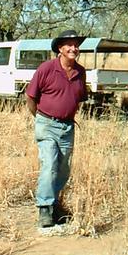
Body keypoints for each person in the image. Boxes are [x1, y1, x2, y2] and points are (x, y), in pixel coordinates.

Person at [25, 29, 88, 228]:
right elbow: (30, 96)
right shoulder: (46, 68)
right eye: (69, 44)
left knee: (63, 169)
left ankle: (55, 205)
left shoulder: (81, 72)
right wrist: (41, 118)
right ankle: (44, 209)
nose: (73, 48)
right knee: (50, 165)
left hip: (68, 127)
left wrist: (67, 116)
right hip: (46, 124)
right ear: (60, 49)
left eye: (76, 44)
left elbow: (78, 99)